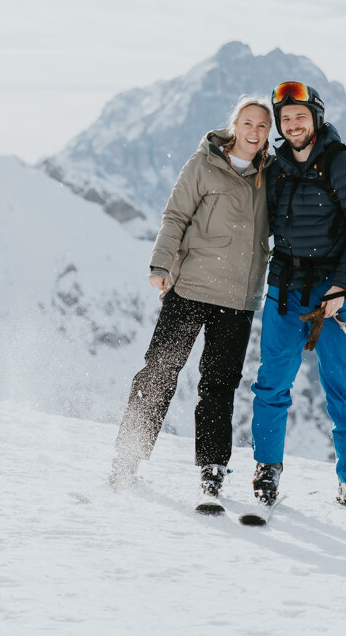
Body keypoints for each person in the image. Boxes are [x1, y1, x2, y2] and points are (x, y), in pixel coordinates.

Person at [110, 95, 274, 497]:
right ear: (234, 125)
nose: (254, 132)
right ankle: (127, 456)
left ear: (270, 133)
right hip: (190, 288)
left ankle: (212, 468)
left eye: (262, 126)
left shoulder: (273, 174)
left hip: (238, 298)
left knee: (219, 385)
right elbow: (176, 216)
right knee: (159, 371)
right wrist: (160, 265)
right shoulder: (203, 164)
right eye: (248, 123)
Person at [249, 81, 346, 513]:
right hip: (285, 292)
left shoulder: (340, 162)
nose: (292, 125)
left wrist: (341, 288)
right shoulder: (276, 166)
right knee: (272, 384)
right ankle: (267, 468)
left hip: (333, 294)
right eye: (285, 119)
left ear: (316, 119)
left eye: (300, 117)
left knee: (342, 387)